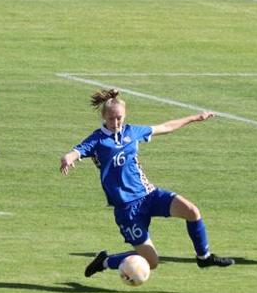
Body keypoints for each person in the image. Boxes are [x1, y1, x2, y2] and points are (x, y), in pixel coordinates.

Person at [60, 89, 234, 278]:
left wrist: (195, 117)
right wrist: (68, 158)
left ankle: (204, 257)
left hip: (150, 196)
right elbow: (77, 151)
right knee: (151, 262)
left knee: (192, 211)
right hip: (127, 209)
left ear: (124, 116)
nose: (116, 123)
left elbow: (165, 127)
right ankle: (104, 261)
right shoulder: (97, 140)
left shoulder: (132, 131)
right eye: (111, 119)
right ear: (103, 116)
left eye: (119, 118)